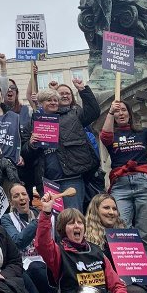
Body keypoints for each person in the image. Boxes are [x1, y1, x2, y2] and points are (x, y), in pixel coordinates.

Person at [100, 98, 147, 262]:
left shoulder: (142, 132)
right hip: (120, 186)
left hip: (145, 183)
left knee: (146, 232)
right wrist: (110, 111)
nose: (121, 113)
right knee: (121, 230)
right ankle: (129, 273)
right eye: (117, 111)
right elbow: (104, 137)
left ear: (130, 114)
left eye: (124, 110)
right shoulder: (112, 135)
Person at [23, 80, 100, 211]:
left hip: (72, 178)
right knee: (54, 220)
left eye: (55, 100)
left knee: (73, 216)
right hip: (48, 181)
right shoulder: (32, 124)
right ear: (41, 103)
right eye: (49, 100)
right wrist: (31, 144)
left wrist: (83, 89)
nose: (53, 103)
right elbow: (24, 154)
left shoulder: (73, 115)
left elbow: (94, 112)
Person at [0, 182, 55, 293]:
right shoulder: (7, 219)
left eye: (24, 194)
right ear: (11, 201)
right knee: (35, 269)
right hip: (23, 263)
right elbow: (18, 242)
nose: (21, 198)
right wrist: (40, 220)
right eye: (16, 196)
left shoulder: (44, 214)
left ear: (29, 198)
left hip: (46, 261)